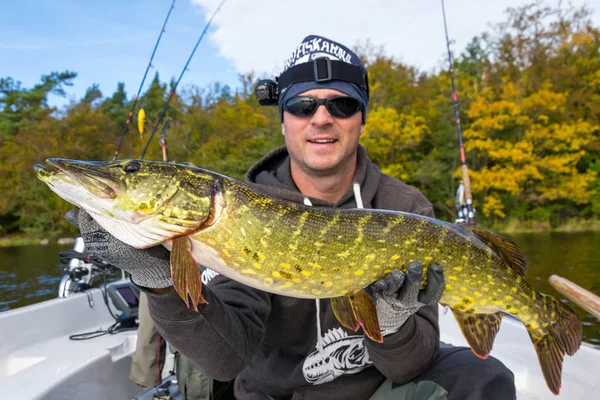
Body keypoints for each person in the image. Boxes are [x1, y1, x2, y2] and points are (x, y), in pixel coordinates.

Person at [66, 35, 516, 400]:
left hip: (378, 390)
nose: (321, 118)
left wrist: (393, 322)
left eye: (341, 104)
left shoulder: (407, 208)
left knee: (482, 379)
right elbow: (226, 359)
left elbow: (413, 365)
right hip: (275, 395)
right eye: (303, 105)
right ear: (284, 120)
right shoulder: (242, 213)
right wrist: (157, 280)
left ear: (361, 119)